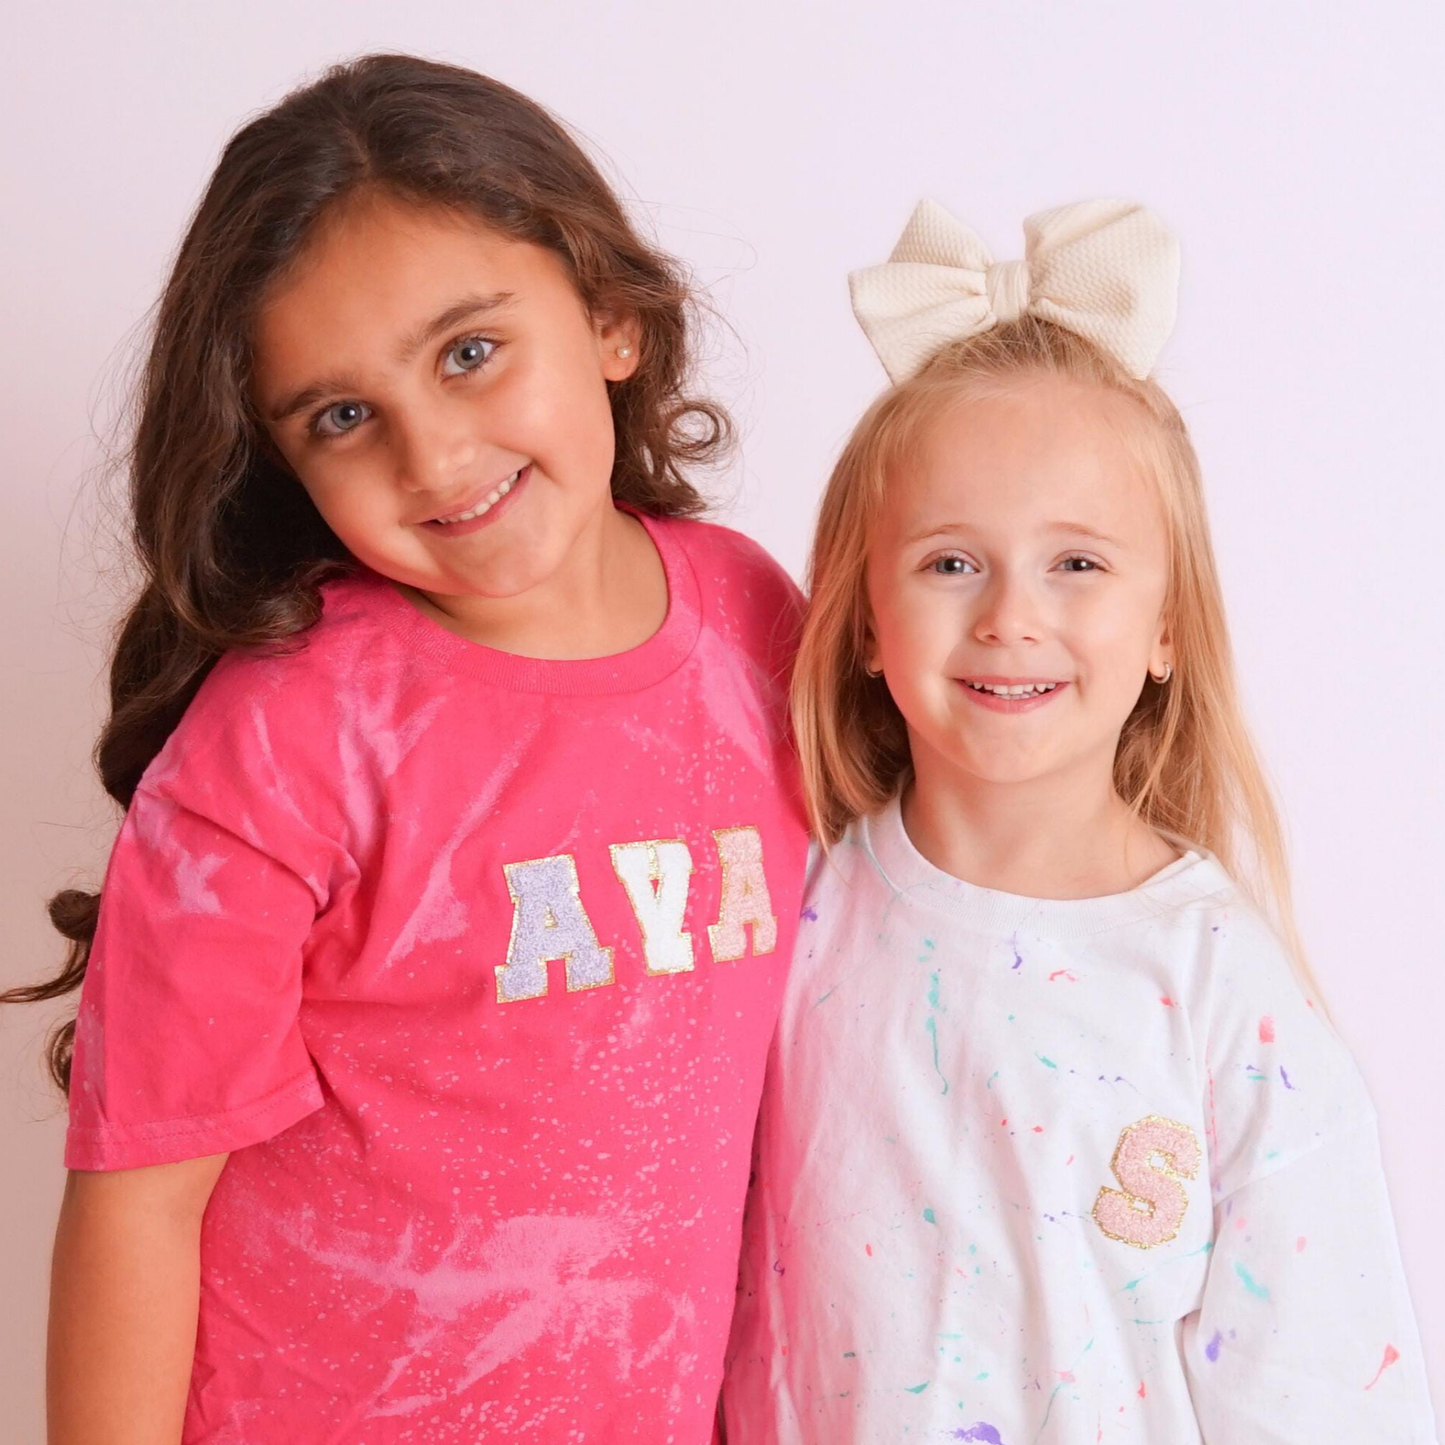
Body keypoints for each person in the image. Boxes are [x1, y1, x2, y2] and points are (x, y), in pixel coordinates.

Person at [3, 53, 808, 1444]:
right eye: (343, 416)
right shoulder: (284, 737)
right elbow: (140, 1209)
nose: (434, 459)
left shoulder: (756, 622)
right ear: (281, 457)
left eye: (470, 352)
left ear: (610, 315)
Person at [722, 199, 1437, 1442]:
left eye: (1077, 563)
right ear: (864, 620)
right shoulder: (793, 914)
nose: (1009, 615)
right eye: (950, 562)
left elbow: (1318, 1386)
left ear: (1165, 626)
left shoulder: (1220, 989)